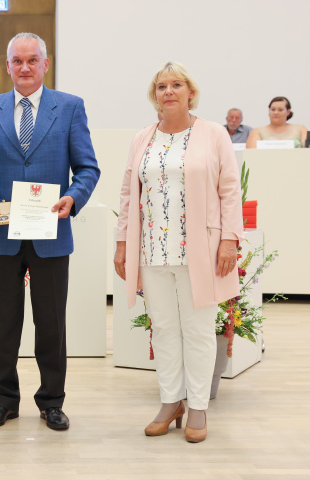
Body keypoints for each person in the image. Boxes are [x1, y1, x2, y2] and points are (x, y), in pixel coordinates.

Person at [0, 32, 100, 431]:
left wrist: (73, 198)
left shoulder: (70, 108)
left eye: (32, 60)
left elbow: (88, 168)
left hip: (51, 234)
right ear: (7, 66)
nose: (24, 68)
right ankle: (4, 400)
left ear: (45, 64)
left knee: (51, 324)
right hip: (3, 234)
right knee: (4, 323)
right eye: (17, 61)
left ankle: (51, 401)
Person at [114, 61, 243, 443]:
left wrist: (230, 238)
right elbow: (127, 193)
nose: (168, 91)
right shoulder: (143, 139)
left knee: (199, 330)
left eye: (176, 84)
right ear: (155, 95)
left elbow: (229, 189)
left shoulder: (213, 134)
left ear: (190, 92)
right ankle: (171, 401)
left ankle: (198, 405)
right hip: (152, 250)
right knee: (165, 329)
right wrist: (122, 242)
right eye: (161, 86)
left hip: (199, 250)